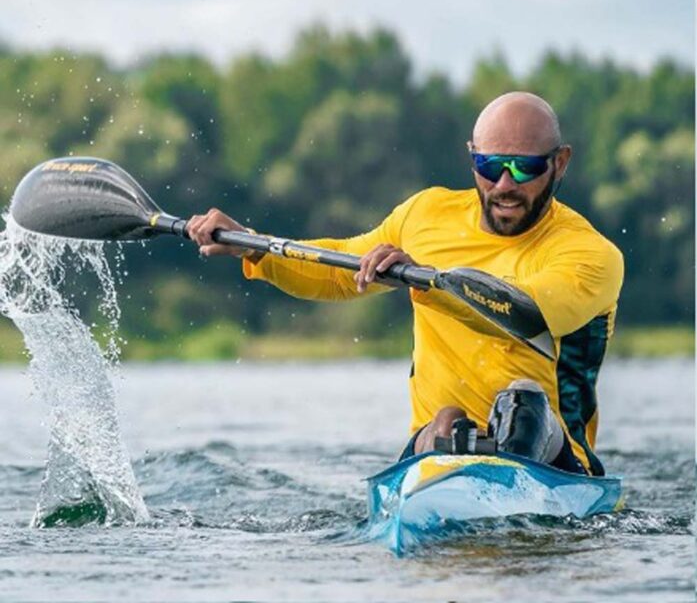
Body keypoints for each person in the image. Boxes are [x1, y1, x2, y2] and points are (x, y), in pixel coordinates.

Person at [187, 92, 623, 476]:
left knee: (524, 403)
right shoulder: (426, 214)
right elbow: (341, 270)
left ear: (560, 162)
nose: (505, 185)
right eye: (489, 166)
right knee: (444, 423)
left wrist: (428, 282)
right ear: (471, 156)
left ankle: (505, 478)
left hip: (554, 459)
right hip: (438, 445)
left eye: (524, 168)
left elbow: (528, 313)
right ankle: (443, 454)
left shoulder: (589, 254)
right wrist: (253, 246)